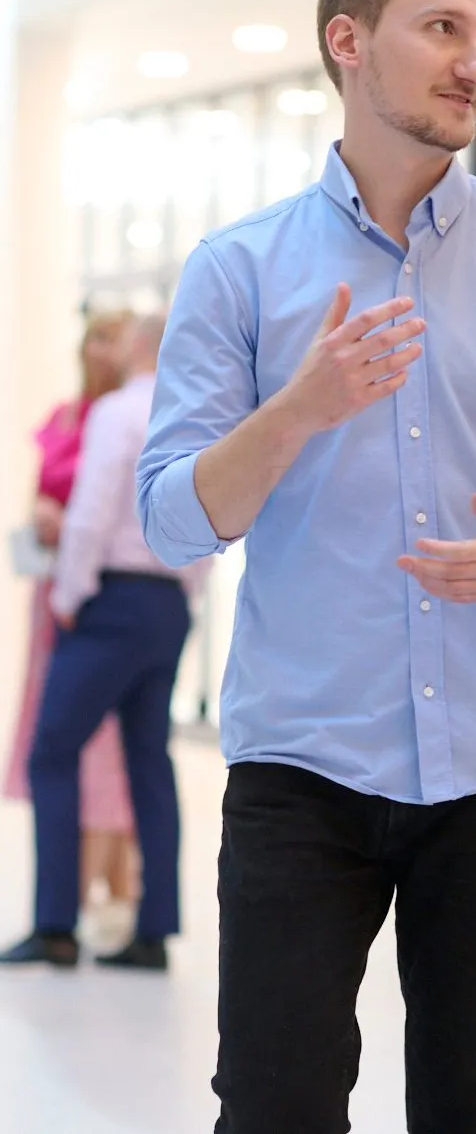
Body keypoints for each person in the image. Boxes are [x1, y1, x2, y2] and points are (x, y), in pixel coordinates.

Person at [136, 0, 476, 1133]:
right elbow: (173, 521)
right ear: (347, 42)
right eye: (443, 29)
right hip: (303, 766)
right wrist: (299, 408)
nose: (473, 61)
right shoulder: (238, 269)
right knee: (275, 1102)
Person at [0, 314, 208, 971]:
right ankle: (153, 931)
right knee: (150, 760)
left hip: (110, 598)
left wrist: (67, 595)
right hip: (167, 602)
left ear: (134, 349)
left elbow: (90, 512)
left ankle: (56, 925)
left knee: (52, 751)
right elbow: (205, 514)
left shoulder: (117, 412)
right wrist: (185, 594)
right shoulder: (195, 415)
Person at [2, 310, 140, 931]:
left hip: (95, 595)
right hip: (56, 591)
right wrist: (42, 513)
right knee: (58, 738)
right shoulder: (65, 417)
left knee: (106, 746)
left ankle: (99, 888)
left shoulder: (131, 419)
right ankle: (83, 895)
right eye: (97, 338)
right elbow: (52, 496)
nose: (102, 350)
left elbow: (106, 515)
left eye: (114, 338)